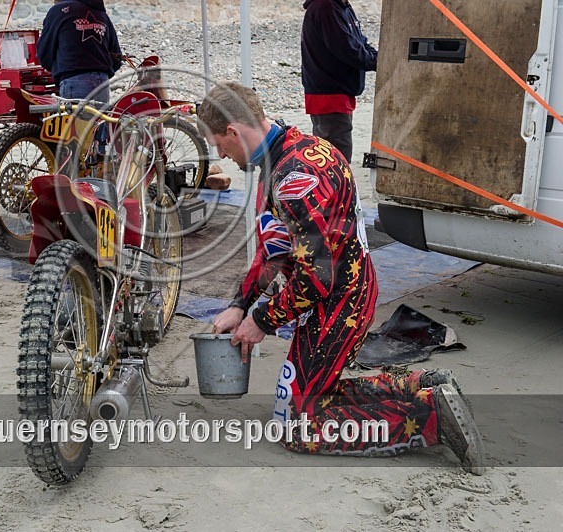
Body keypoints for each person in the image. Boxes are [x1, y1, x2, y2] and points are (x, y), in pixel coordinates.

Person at [197, 81, 484, 473]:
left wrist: (259, 321)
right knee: (304, 400)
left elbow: (316, 278)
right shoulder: (286, 151)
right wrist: (239, 304)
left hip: (339, 301)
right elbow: (273, 249)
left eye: (219, 144)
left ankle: (430, 414)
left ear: (233, 131)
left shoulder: (293, 180)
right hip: (335, 294)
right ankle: (421, 384)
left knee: (302, 428)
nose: (221, 156)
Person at [301, 0, 377, 163]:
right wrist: (380, 62)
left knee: (333, 151)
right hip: (329, 94)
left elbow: (360, 42)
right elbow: (348, 50)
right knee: (336, 158)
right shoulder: (326, 7)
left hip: (336, 93)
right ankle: (337, 188)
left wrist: (378, 58)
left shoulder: (341, 7)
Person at [37, 0, 123, 105]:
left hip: (74, 79)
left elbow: (44, 51)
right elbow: (117, 57)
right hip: (101, 81)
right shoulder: (101, 14)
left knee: (77, 120)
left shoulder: (59, 11)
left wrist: (57, 68)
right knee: (98, 120)